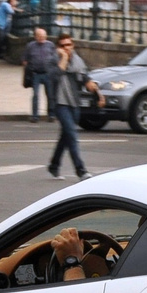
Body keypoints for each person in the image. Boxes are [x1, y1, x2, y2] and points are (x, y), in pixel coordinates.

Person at [46, 33, 101, 181]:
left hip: (74, 103)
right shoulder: (52, 60)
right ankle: (81, 170)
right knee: (72, 134)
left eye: (69, 45)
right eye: (63, 46)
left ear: (73, 45)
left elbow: (84, 77)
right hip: (59, 103)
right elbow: (55, 76)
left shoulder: (78, 61)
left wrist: (96, 91)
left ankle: (54, 165)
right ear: (58, 47)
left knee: (66, 137)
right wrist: (63, 58)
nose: (67, 48)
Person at [22, 25, 57, 123]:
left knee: (50, 95)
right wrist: (28, 70)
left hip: (48, 74)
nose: (42, 38)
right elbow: (24, 60)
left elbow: (55, 59)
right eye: (40, 36)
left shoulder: (50, 45)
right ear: (35, 36)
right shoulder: (30, 46)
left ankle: (51, 114)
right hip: (35, 73)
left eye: (43, 36)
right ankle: (35, 116)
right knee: (35, 95)